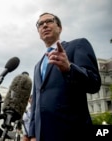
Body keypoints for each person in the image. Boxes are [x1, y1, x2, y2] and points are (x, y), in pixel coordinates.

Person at [28, 12, 101, 141]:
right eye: (40, 24)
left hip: (71, 132)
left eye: (49, 21)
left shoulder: (77, 45)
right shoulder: (37, 66)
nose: (44, 25)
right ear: (39, 32)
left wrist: (69, 68)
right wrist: (32, 133)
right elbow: (35, 102)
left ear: (59, 28)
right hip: (42, 135)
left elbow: (94, 83)